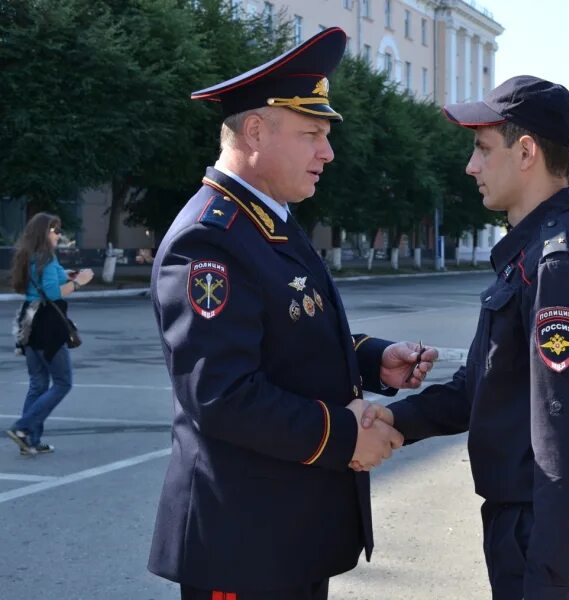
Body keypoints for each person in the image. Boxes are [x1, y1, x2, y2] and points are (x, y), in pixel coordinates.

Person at [147, 27, 436, 600]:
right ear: (255, 131)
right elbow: (223, 395)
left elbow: (288, 330)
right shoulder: (211, 240)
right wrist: (345, 437)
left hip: (283, 534)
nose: (327, 151)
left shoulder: (266, 220)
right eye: (312, 134)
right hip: (245, 544)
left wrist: (377, 359)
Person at [361, 75, 569, 599]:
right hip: (531, 524)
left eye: (483, 149)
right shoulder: (534, 253)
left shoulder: (560, 262)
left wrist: (555, 577)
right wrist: (394, 418)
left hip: (550, 534)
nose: (471, 166)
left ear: (526, 150)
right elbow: (484, 387)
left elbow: (564, 436)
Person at [6, 212, 94, 456]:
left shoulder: (32, 257)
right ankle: (23, 428)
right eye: (54, 230)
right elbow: (53, 292)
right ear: (43, 233)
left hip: (30, 324)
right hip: (47, 326)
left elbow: (44, 282)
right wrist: (80, 282)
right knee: (63, 382)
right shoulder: (45, 257)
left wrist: (67, 274)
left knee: (39, 383)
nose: (58, 235)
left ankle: (29, 441)